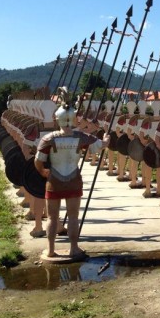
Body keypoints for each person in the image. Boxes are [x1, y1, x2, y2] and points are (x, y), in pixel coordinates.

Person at [34, 88, 109, 259]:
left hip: (54, 181)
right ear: (73, 119)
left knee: (53, 218)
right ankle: (74, 248)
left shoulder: (49, 139)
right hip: (74, 179)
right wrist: (106, 140)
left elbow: (38, 160)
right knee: (74, 216)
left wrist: (43, 172)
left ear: (57, 119)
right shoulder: (81, 137)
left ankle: (51, 250)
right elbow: (100, 145)